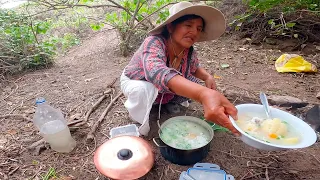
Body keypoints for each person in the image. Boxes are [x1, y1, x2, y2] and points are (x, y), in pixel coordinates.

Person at [120, 1, 239, 136]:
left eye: (199, 29)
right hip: (137, 80)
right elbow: (156, 72)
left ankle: (167, 102)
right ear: (171, 27)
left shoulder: (189, 51)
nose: (194, 32)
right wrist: (203, 94)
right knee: (143, 90)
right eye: (188, 25)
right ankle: (139, 120)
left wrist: (207, 77)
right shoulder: (154, 42)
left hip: (163, 86)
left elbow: (194, 68)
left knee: (192, 81)